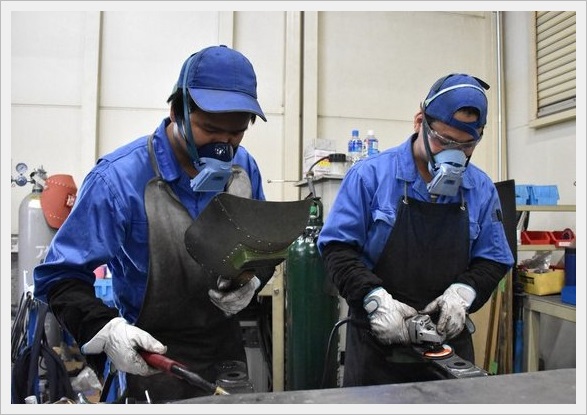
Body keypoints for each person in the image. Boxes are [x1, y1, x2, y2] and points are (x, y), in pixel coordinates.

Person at [33, 45, 275, 402]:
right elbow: (59, 277)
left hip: (224, 354)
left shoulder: (244, 170)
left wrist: (253, 280)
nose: (223, 146)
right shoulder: (117, 180)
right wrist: (106, 329)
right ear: (177, 112)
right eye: (210, 130)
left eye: (236, 133)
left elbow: (261, 248)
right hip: (148, 358)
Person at [317, 73, 515, 386]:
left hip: (449, 355)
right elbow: (337, 250)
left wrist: (464, 293)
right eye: (444, 141)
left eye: (467, 145)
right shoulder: (370, 177)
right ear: (420, 121)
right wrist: (373, 299)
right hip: (376, 354)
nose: (454, 155)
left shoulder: (480, 188)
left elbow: (493, 259)